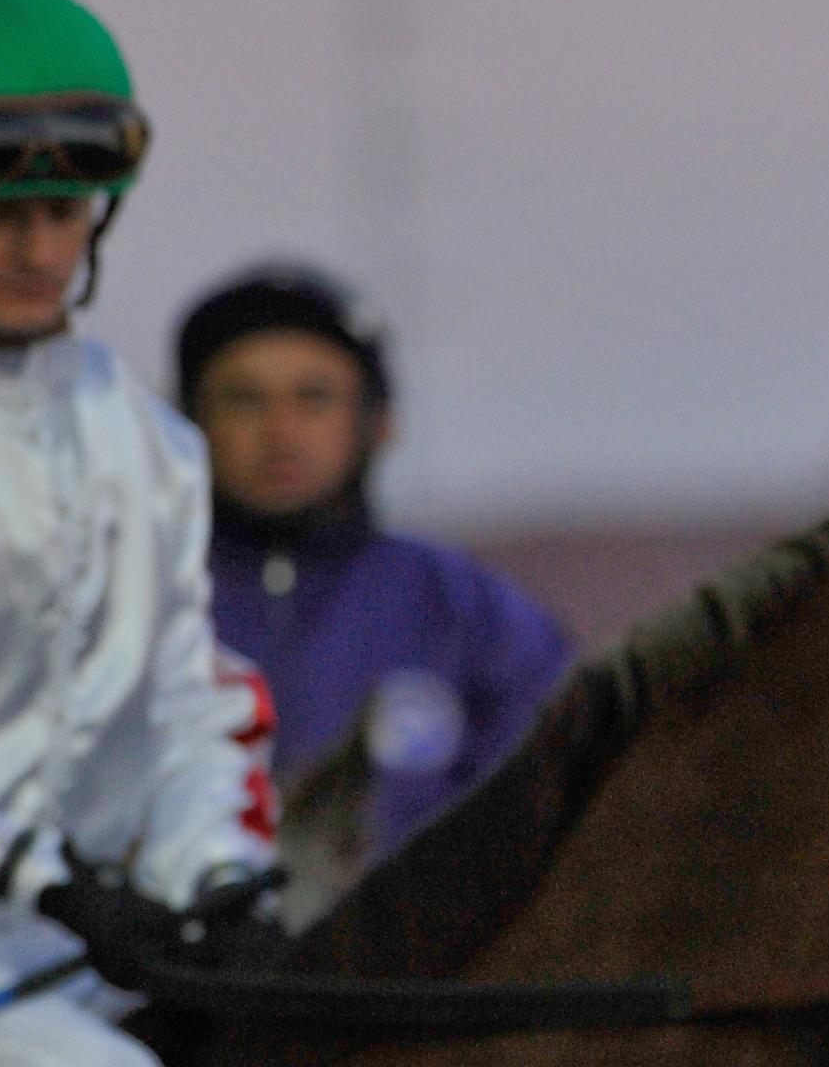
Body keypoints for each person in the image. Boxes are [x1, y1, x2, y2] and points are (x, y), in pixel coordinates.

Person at [0, 0, 282, 1067]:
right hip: (50, 989)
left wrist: (215, 876)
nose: (42, 250)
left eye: (69, 210)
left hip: (72, 968)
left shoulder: (149, 443)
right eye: (6, 210)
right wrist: (49, 880)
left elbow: (180, 710)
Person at [179, 265, 571, 862]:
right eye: (245, 399)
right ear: (186, 425)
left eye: (314, 398)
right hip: (162, 950)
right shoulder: (138, 601)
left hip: (422, 949)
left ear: (379, 423)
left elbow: (564, 806)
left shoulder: (471, 614)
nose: (281, 431)